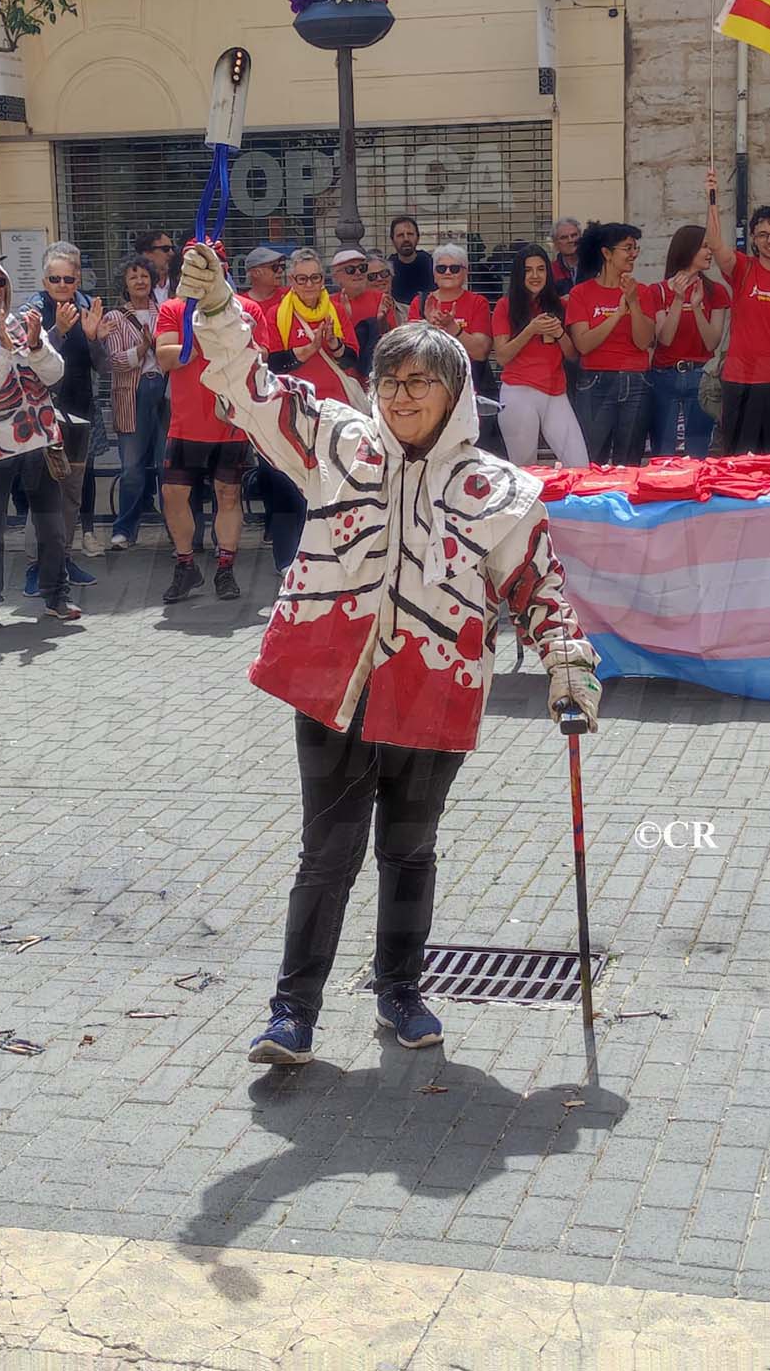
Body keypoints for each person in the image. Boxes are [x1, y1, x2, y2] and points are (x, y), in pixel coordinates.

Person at [177, 242, 602, 1064]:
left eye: (420, 382)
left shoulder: (499, 490)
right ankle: (292, 1013)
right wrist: (219, 308)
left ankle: (400, 991)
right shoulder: (334, 441)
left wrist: (565, 659)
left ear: (454, 393)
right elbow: (251, 387)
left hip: (434, 689)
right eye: (389, 380)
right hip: (333, 685)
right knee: (325, 855)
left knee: (408, 852)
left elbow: (537, 586)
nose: (401, 396)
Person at [0, 256, 80, 629]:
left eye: (0, 282)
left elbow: (54, 373)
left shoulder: (21, 322)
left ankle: (57, 597)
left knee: (51, 526)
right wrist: (4, 351)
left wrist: (35, 346)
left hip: (37, 440)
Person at [156, 237, 267, 603]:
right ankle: (186, 564)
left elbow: (260, 357)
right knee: (173, 495)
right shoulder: (173, 308)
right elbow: (165, 357)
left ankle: (225, 569)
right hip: (186, 423)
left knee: (228, 494)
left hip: (230, 421)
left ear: (222, 269)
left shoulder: (247, 308)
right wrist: (209, 341)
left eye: (210, 266)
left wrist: (216, 340)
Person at [23, 242, 110, 590]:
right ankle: (36, 565)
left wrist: (94, 339)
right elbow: (30, 363)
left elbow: (104, 367)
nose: (62, 285)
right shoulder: (31, 312)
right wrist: (57, 331)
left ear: (77, 280)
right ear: (44, 280)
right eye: (55, 279)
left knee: (71, 494)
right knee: (43, 492)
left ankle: (63, 559)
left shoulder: (88, 308)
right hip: (40, 415)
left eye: (68, 279)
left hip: (79, 412)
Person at [565, 222, 657, 465]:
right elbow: (583, 344)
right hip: (595, 381)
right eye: (627, 248)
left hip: (636, 380)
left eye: (636, 248)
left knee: (629, 460)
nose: (633, 254)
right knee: (593, 458)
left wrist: (633, 303)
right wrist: (617, 314)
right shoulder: (581, 293)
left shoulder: (642, 292)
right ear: (607, 253)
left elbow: (644, 342)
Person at [493, 245, 588, 467]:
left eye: (541, 269)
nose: (535, 275)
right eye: (528, 270)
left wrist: (559, 333)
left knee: (579, 464)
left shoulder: (561, 305)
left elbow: (572, 355)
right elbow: (502, 357)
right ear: (519, 274)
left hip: (556, 392)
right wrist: (531, 330)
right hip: (518, 392)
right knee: (525, 468)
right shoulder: (505, 306)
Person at [103, 254, 168, 548]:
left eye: (144, 276)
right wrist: (141, 350)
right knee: (131, 468)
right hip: (132, 393)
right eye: (133, 277)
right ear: (125, 284)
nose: (140, 281)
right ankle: (125, 530)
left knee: (168, 466)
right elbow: (115, 362)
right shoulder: (114, 318)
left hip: (166, 390)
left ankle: (177, 531)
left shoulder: (166, 312)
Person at [650, 224, 729, 458]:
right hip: (665, 375)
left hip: (701, 377)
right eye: (704, 246)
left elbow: (712, 343)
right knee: (664, 451)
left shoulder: (716, 291)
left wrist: (696, 307)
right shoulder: (657, 291)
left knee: (698, 451)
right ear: (688, 249)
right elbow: (664, 338)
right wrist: (678, 299)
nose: (710, 252)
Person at [706, 169, 770, 454]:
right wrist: (712, 200)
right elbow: (715, 243)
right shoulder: (743, 269)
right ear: (753, 239)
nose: (769, 240)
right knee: (740, 458)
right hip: (741, 378)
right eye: (763, 234)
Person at [265, 248, 363, 408]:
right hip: (297, 403)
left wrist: (334, 343)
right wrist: (310, 349)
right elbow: (273, 364)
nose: (309, 284)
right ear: (291, 280)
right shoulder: (275, 313)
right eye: (302, 279)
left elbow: (351, 361)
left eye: (315, 278)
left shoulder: (336, 310)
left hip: (336, 401)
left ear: (322, 279)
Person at [407, 242, 493, 392]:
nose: (447, 272)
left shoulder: (478, 302)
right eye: (441, 268)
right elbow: (410, 351)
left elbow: (481, 352)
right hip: (428, 383)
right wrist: (429, 326)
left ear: (465, 273)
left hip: (467, 383)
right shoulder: (420, 303)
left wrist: (452, 328)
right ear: (434, 274)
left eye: (454, 268)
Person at [329, 247, 396, 379]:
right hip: (343, 375)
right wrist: (345, 318)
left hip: (375, 374)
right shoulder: (328, 304)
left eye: (362, 268)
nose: (358, 273)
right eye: (350, 270)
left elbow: (392, 342)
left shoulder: (380, 299)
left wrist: (381, 321)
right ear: (336, 276)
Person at [388, 215, 434, 312]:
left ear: (418, 237)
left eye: (410, 234)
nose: (406, 239)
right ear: (392, 240)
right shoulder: (387, 269)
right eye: (400, 235)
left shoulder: (431, 264)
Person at [134, 229, 176, 306]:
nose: (171, 253)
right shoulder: (137, 286)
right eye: (165, 249)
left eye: (172, 248)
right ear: (147, 253)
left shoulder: (180, 283)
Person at [244, 246, 287, 313]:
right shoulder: (241, 305)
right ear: (256, 273)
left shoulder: (290, 296)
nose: (280, 270)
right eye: (274, 267)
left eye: (282, 266)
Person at [551, 218, 582, 296]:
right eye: (564, 237)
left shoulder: (594, 267)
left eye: (574, 235)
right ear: (555, 243)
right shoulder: (551, 271)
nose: (570, 240)